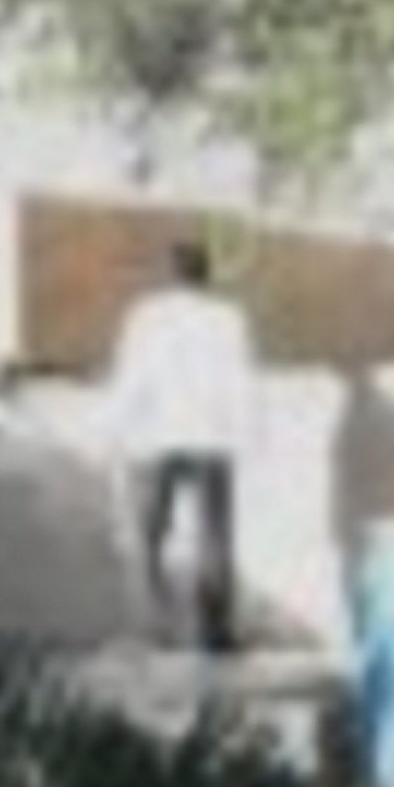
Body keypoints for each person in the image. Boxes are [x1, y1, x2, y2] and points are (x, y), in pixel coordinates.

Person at [107, 234, 257, 653]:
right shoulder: (229, 317)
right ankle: (215, 632)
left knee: (148, 536)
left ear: (167, 274)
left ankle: (155, 630)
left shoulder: (146, 316)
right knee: (214, 537)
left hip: (157, 438)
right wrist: (248, 435)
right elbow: (241, 381)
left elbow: (131, 377)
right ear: (205, 274)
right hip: (211, 437)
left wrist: (114, 431)